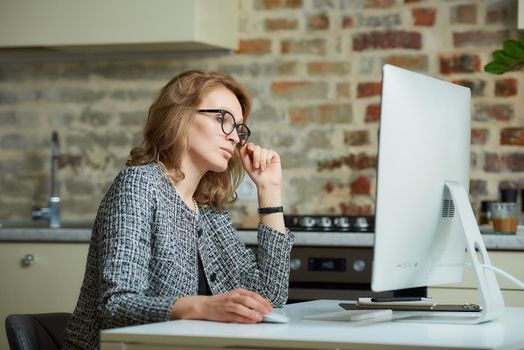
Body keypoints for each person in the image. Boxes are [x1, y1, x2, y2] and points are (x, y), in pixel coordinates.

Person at [63, 70, 294, 349]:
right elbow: (116, 306)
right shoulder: (139, 184)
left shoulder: (208, 210)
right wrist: (203, 307)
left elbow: (270, 297)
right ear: (181, 116)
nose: (234, 138)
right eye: (223, 119)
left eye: (238, 128)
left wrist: (269, 190)